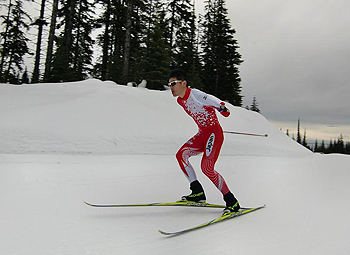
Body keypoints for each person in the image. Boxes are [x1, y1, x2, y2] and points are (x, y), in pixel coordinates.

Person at [168, 69, 240, 215]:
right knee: (181, 155)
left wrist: (221, 107)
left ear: (184, 83)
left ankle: (232, 202)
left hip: (214, 134)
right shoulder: (180, 100)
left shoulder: (194, 94)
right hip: (202, 134)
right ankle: (197, 193)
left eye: (173, 83)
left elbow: (208, 98)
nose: (171, 87)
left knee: (207, 168)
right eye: (169, 84)